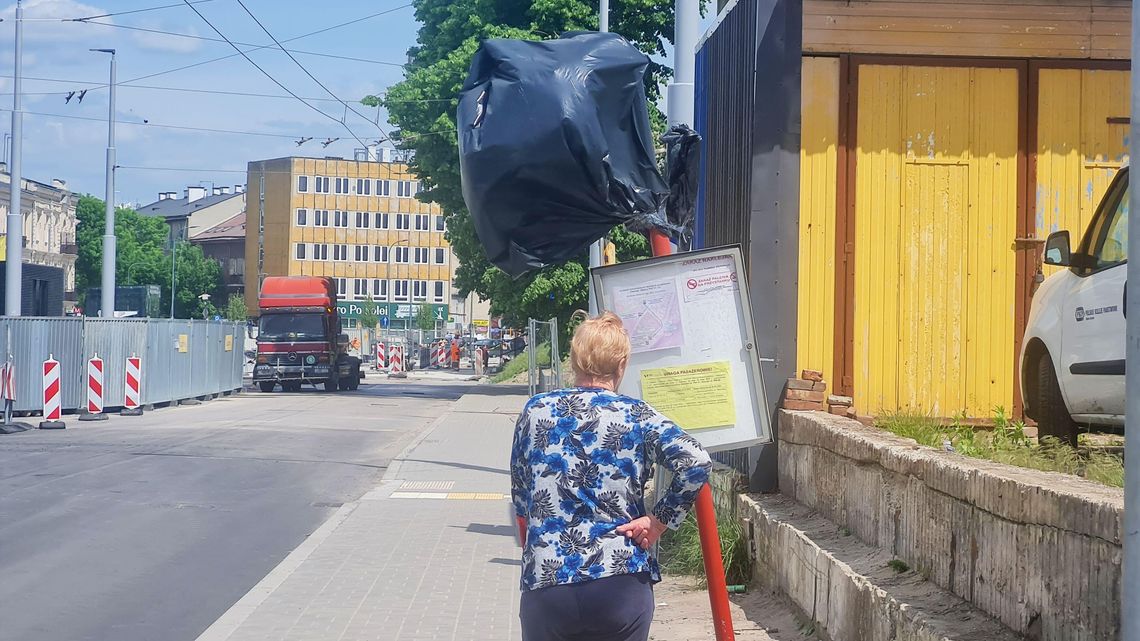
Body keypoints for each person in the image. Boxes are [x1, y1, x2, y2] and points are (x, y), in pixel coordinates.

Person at [510, 312, 712, 641]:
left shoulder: (535, 410)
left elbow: (521, 499)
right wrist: (658, 521)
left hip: (548, 585)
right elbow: (696, 461)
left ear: (574, 360)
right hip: (620, 581)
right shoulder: (637, 415)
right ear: (621, 365)